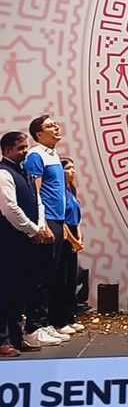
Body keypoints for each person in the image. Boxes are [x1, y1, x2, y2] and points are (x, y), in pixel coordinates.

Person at [0, 132, 53, 356]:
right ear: (7, 150)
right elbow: (9, 208)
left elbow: (37, 201)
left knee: (20, 290)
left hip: (27, 241)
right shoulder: (4, 173)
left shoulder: (26, 172)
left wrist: (39, 226)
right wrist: (32, 230)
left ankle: (16, 336)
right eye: (20, 148)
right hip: (9, 241)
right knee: (5, 290)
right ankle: (2, 340)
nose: (25, 151)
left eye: (26, 147)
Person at [23, 115, 70, 344]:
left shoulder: (53, 155)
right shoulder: (35, 155)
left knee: (52, 273)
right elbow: (35, 191)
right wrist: (41, 223)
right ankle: (33, 327)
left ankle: (46, 322)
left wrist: (63, 224)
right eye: (50, 126)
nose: (56, 127)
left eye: (55, 124)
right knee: (40, 275)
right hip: (46, 219)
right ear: (39, 134)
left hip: (57, 220)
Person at [52, 158, 85, 335]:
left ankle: (70, 316)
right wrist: (72, 240)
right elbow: (61, 219)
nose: (72, 171)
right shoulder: (59, 192)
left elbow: (76, 218)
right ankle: (59, 319)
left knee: (72, 278)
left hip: (73, 234)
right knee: (61, 279)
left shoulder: (71, 191)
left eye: (73, 168)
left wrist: (79, 237)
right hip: (64, 236)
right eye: (68, 168)